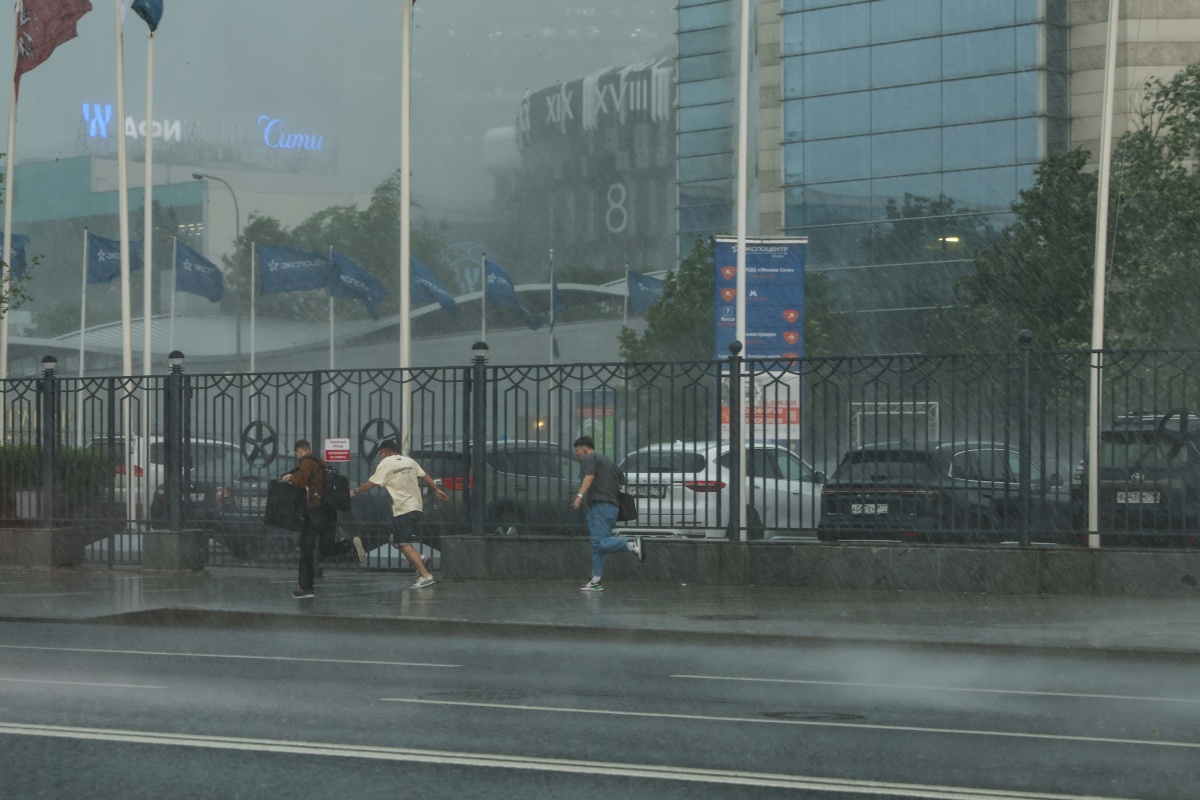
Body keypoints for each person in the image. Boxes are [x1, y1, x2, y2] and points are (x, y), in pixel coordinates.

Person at [350, 439, 449, 589]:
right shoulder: (409, 461)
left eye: (380, 453)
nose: (380, 456)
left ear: (386, 451)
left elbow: (373, 483)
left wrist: (355, 491)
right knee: (395, 539)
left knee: (404, 543)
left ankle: (425, 575)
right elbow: (425, 475)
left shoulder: (387, 463)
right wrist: (436, 490)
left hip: (402, 508)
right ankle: (420, 558)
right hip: (416, 506)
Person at [282, 440, 365, 599]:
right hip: (329, 510)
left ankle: (306, 589)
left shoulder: (307, 462)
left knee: (306, 549)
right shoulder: (323, 463)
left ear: (300, 450)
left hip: (315, 511)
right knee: (325, 547)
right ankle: (348, 545)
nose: (296, 456)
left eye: (296, 453)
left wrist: (290, 478)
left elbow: (301, 482)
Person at [571, 435, 643, 592]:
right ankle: (596, 581)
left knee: (599, 543)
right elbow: (621, 483)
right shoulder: (607, 460)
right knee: (598, 546)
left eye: (577, 450)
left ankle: (631, 544)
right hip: (611, 507)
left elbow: (589, 477)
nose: (576, 454)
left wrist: (579, 496)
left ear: (584, 448)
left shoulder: (589, 458)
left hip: (601, 506)